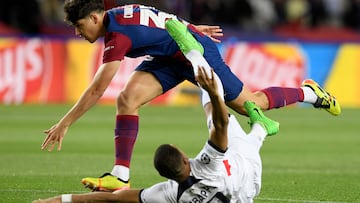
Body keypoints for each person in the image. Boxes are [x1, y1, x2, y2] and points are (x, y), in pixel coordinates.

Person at [41, 0, 340, 192]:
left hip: (193, 51)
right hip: (171, 56)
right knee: (127, 99)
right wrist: (190, 27)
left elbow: (96, 89)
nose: (79, 33)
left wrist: (65, 122)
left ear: (94, 18)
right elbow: (160, 18)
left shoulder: (117, 37)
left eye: (80, 27)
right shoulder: (119, 14)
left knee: (253, 105)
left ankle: (309, 93)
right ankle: (120, 175)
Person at [33, 66, 279, 203]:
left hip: (246, 196)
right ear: (184, 158)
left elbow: (113, 200)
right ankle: (260, 128)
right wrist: (214, 92)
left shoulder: (167, 194)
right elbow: (220, 125)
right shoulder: (206, 164)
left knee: (231, 136)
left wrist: (54, 201)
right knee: (217, 115)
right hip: (246, 168)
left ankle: (259, 129)